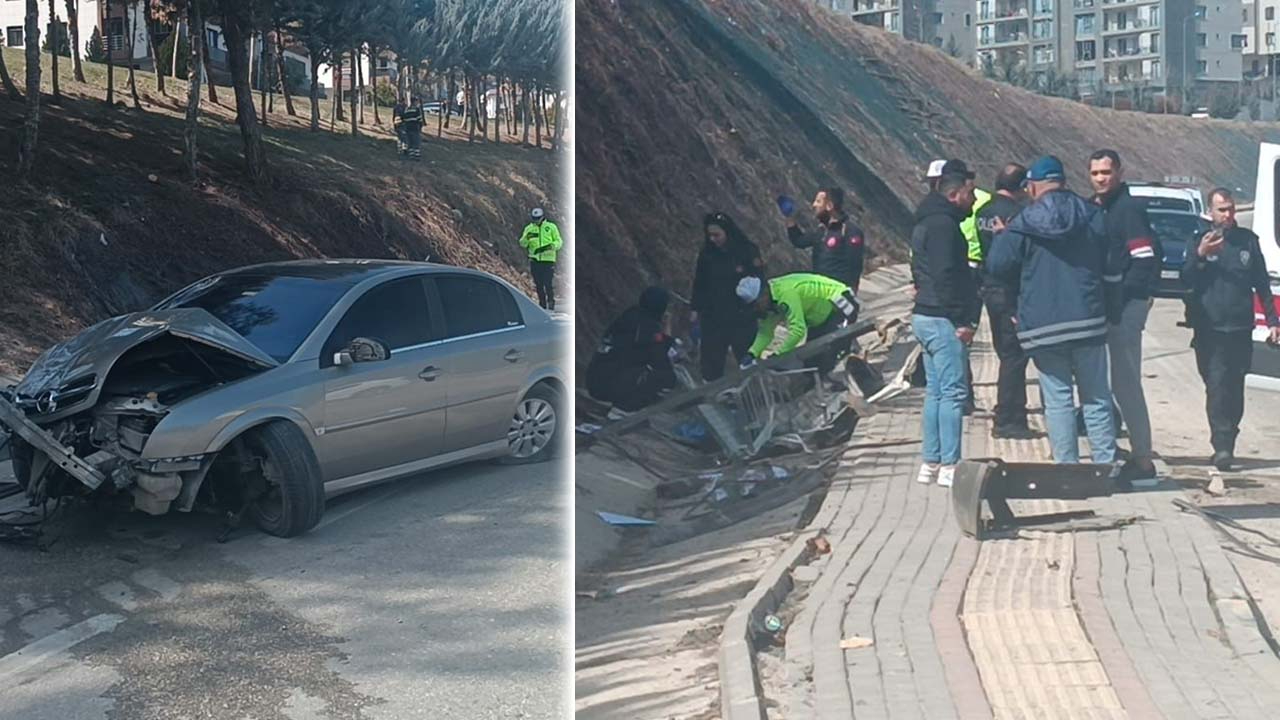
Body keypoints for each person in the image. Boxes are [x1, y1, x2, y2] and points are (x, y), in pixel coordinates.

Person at [987, 156, 1117, 466]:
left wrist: (1004, 238)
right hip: (1088, 320)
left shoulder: (1024, 223)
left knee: (1057, 401)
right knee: (1096, 399)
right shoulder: (1091, 215)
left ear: (1032, 187)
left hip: (1042, 325)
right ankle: (1106, 466)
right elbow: (1111, 264)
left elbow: (996, 266)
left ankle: (1067, 469)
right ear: (1063, 181)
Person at [1182, 188, 1280, 470]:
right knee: (1215, 387)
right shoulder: (1198, 241)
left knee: (1234, 388)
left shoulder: (1247, 242)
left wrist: (1273, 321)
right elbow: (1185, 277)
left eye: (1230, 209)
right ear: (1210, 213)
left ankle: (1227, 443)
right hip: (1208, 329)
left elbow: (1262, 283)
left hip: (1239, 328)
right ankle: (1220, 442)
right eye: (1221, 209)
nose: (1227, 214)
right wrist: (1200, 255)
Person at [1089, 149, 1159, 481]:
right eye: (1095, 173)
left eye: (1106, 172)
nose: (1101, 178)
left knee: (1126, 382)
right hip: (1109, 307)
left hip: (1125, 309)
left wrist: (1125, 302)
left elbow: (1143, 259)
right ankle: (1121, 450)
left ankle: (1144, 460)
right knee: (1110, 382)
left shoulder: (1128, 209)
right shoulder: (1099, 207)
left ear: (1119, 172)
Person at [910, 166, 981, 487]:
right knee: (953, 394)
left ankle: (930, 461)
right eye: (968, 192)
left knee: (935, 393)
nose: (973, 197)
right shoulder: (944, 227)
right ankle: (950, 465)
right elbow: (947, 274)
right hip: (942, 318)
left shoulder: (925, 222)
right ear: (953, 195)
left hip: (924, 314)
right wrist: (962, 319)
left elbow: (920, 269)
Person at [976, 163, 1033, 439]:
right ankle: (1009, 419)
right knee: (1015, 357)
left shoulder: (982, 213)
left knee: (1006, 353)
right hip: (1011, 291)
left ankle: (1011, 415)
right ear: (1022, 186)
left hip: (989, 289)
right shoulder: (1019, 215)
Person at [736, 273, 860, 378]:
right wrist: (752, 353)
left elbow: (797, 329)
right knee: (813, 362)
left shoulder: (785, 293)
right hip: (821, 317)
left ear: (763, 295)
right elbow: (766, 333)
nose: (757, 309)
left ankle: (858, 381)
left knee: (837, 349)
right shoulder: (769, 303)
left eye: (757, 305)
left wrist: (779, 354)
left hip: (838, 301)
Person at [691, 212, 764, 381]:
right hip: (714, 316)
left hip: (742, 315)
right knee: (711, 360)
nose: (712, 239)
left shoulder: (747, 250)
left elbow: (759, 278)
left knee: (746, 356)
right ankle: (714, 395)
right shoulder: (707, 255)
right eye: (709, 235)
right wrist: (695, 308)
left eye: (717, 235)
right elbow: (700, 282)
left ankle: (754, 392)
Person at [586, 287, 678, 417]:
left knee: (639, 368)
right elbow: (662, 361)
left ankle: (622, 401)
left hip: (594, 379)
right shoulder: (648, 326)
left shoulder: (629, 315)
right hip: (610, 383)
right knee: (668, 378)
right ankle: (625, 408)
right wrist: (667, 328)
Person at [785, 187, 866, 293]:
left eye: (818, 202)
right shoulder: (821, 231)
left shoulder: (850, 231)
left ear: (829, 206)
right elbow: (799, 241)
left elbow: (854, 264)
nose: (814, 205)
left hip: (839, 292)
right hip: (820, 291)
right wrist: (789, 218)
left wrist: (850, 290)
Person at [520, 208, 562, 310]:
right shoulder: (529, 228)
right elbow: (522, 243)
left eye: (538, 218)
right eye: (534, 219)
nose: (536, 221)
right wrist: (527, 238)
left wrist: (552, 246)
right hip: (535, 260)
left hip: (548, 260)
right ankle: (542, 303)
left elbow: (559, 241)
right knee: (538, 284)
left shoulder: (551, 227)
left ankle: (551, 301)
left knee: (547, 283)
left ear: (542, 217)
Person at [400, 96, 424, 161]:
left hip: (408, 128)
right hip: (415, 128)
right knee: (416, 142)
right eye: (417, 101)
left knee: (410, 142)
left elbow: (403, 119)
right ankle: (416, 156)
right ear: (414, 102)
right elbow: (419, 120)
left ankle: (411, 155)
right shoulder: (416, 109)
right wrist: (420, 127)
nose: (417, 103)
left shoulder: (406, 110)